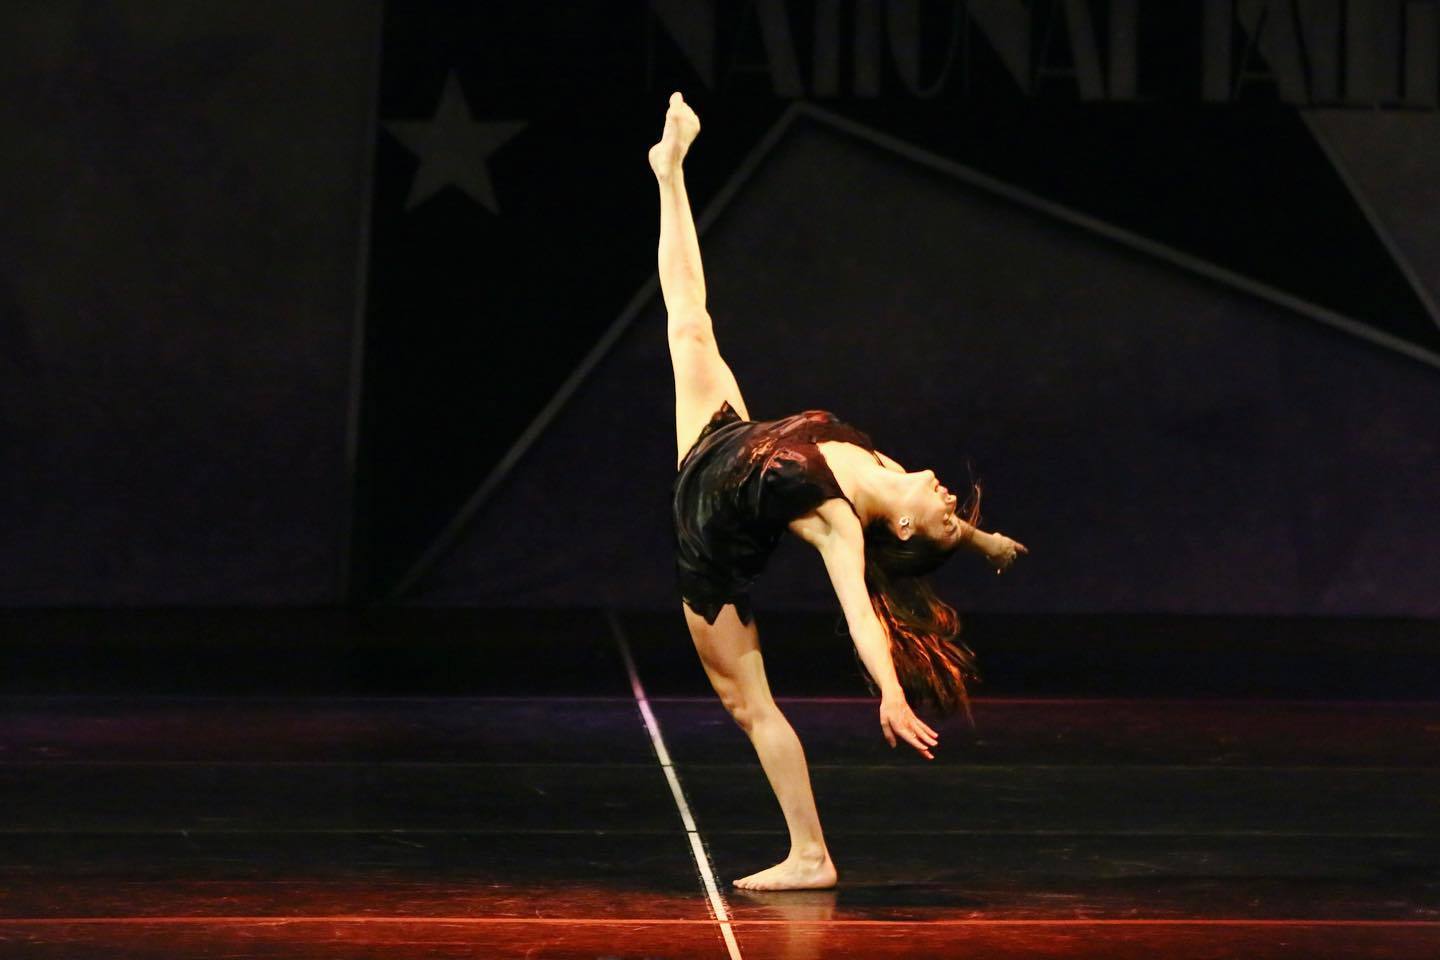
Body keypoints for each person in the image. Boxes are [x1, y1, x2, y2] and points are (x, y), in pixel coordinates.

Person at [648, 92, 1028, 892]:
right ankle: (669, 169)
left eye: (948, 517)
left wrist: (890, 693)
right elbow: (944, 532)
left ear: (901, 530)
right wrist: (984, 541)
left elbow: (862, 614)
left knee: (751, 707)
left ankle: (811, 855)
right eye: (956, 511)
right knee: (689, 322)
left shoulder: (838, 519)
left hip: (707, 549)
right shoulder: (884, 467)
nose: (950, 501)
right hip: (719, 438)